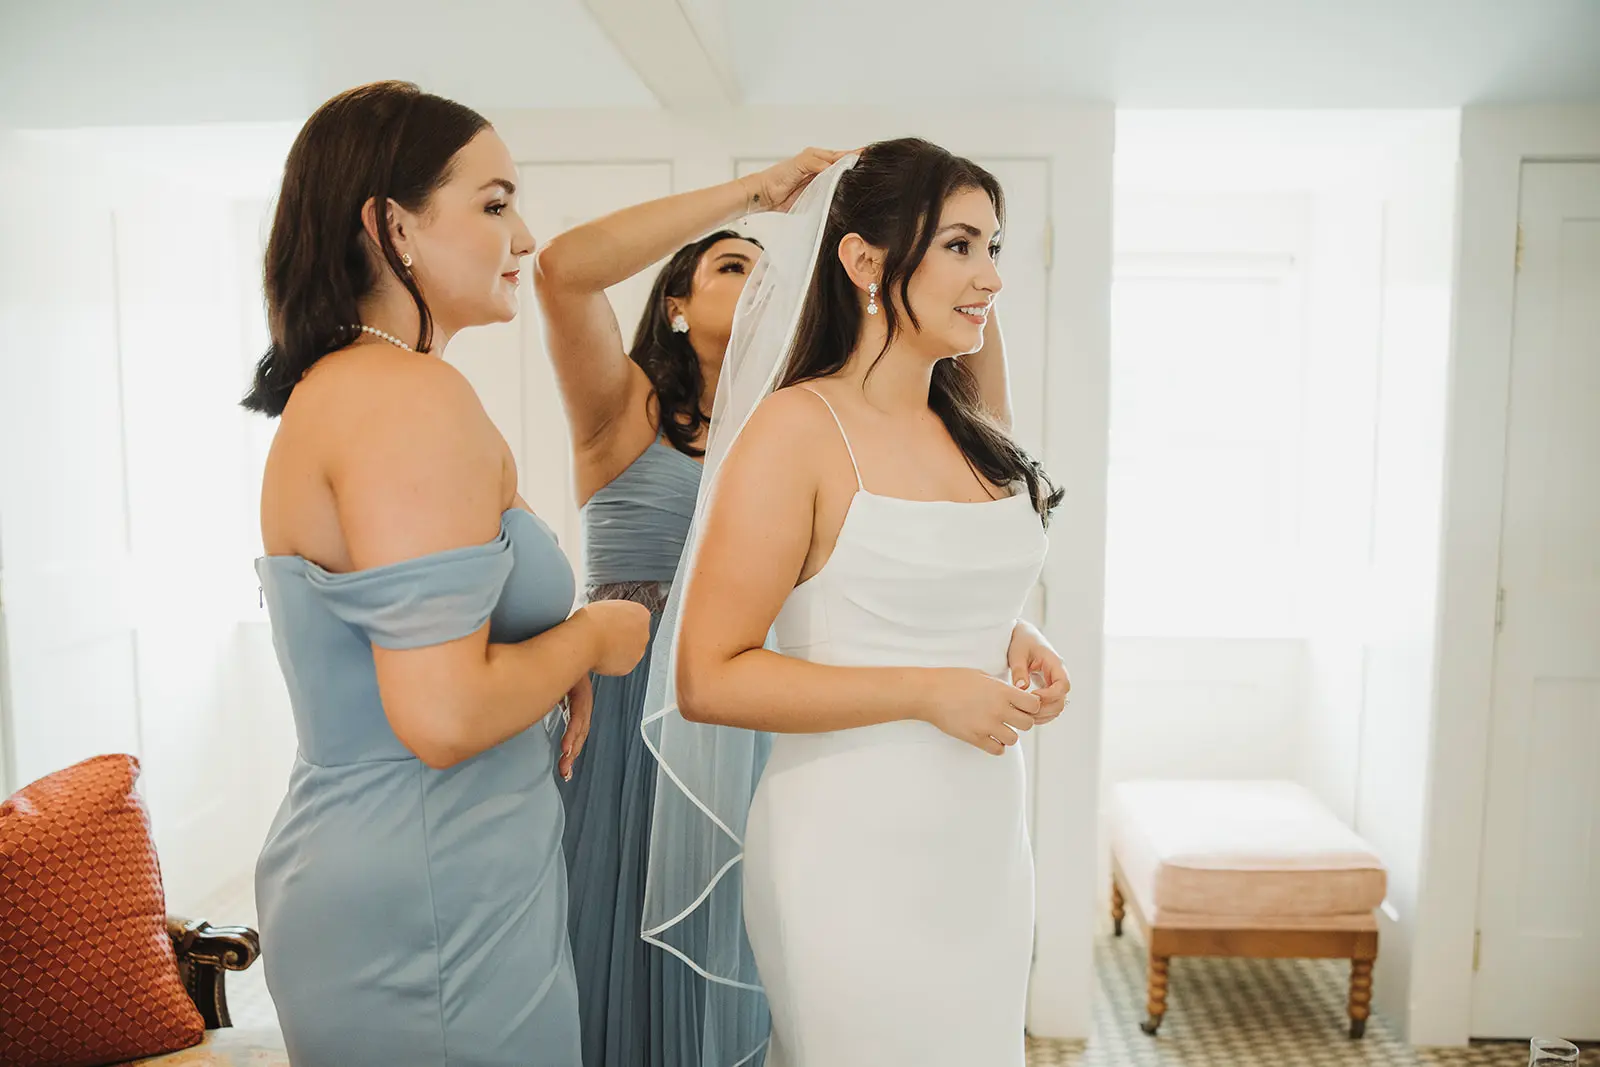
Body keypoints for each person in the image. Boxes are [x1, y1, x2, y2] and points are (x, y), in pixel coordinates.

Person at [532, 146, 1049, 1067]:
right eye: (962, 245)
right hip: (848, 841)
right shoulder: (790, 431)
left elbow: (900, 581)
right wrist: (932, 690)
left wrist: (1011, 633)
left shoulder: (968, 426)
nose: (992, 276)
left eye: (995, 245)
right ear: (863, 262)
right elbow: (708, 676)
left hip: (982, 836)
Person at [242, 81, 649, 1067]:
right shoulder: (406, 399)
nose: (524, 238)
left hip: (433, 870)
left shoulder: (354, 387)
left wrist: (547, 665)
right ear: (392, 226)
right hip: (430, 896)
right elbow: (442, 716)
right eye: (496, 203)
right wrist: (593, 635)